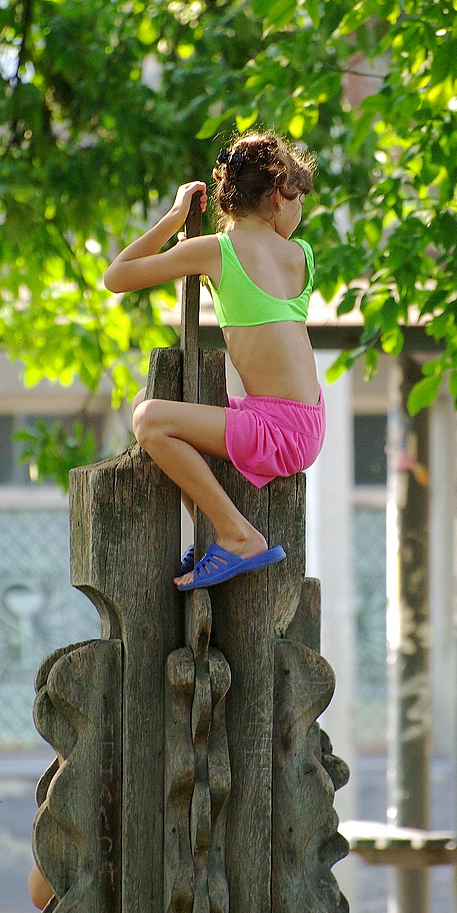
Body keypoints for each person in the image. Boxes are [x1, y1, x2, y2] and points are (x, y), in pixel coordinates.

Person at [103, 131, 324, 589]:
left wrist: (174, 217)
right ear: (279, 196)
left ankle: (237, 533)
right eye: (299, 198)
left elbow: (117, 276)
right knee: (153, 399)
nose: (301, 212)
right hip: (300, 422)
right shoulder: (299, 256)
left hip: (278, 428)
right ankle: (218, 530)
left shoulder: (217, 250)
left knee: (149, 420)